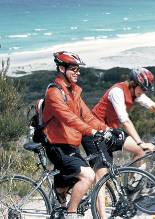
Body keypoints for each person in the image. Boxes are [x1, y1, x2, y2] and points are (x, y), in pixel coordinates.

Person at [82, 67, 155, 216]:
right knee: (102, 177)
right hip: (94, 134)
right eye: (142, 89)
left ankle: (131, 191)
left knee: (140, 152)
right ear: (133, 83)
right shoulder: (117, 92)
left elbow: (154, 107)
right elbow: (125, 121)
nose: (143, 92)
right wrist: (140, 141)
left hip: (109, 132)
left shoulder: (135, 91)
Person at [43, 51, 107, 217]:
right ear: (61, 69)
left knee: (78, 176)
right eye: (73, 69)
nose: (77, 72)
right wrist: (90, 131)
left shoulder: (74, 92)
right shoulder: (54, 92)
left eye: (78, 69)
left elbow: (87, 116)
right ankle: (70, 214)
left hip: (71, 145)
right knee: (88, 176)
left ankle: (60, 190)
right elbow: (68, 118)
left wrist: (106, 129)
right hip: (56, 145)